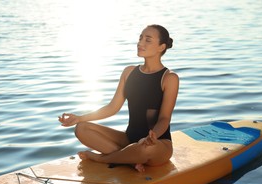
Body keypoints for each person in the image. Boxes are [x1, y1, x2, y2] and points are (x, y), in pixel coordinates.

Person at [59, 25, 179, 172]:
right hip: (129, 139)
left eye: (148, 40)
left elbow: (164, 118)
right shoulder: (129, 72)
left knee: (145, 148)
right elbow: (112, 108)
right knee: (82, 128)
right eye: (140, 38)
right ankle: (128, 159)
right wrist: (79, 118)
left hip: (158, 144)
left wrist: (154, 135)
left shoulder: (169, 78)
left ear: (161, 47)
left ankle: (100, 158)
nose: (140, 43)